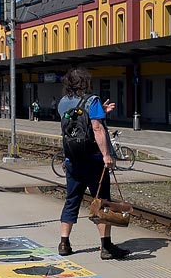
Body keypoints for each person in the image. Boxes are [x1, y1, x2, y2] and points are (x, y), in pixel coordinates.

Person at [56, 68, 130, 260]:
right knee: (102, 200)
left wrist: (101, 111)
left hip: (72, 159)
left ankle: (64, 243)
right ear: (85, 83)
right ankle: (106, 246)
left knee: (71, 200)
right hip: (94, 160)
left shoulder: (63, 103)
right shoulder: (92, 100)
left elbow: (74, 123)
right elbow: (96, 128)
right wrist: (106, 155)